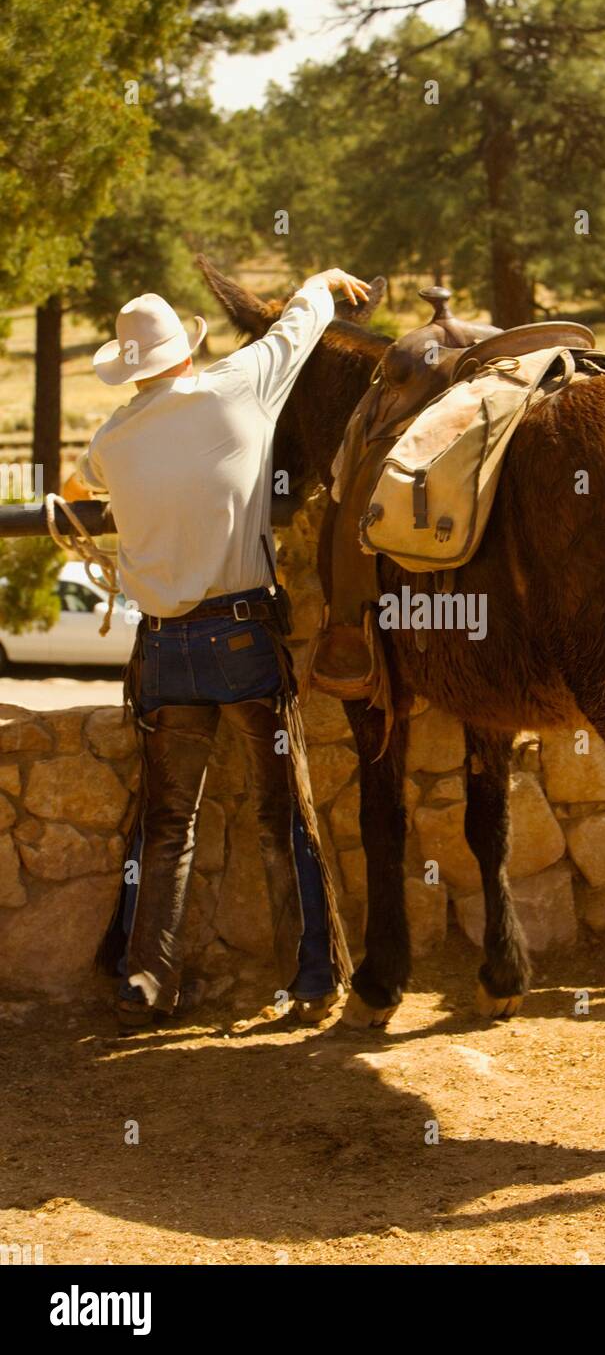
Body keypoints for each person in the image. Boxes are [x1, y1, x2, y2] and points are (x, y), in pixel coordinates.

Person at [63, 268, 370, 1029]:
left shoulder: (112, 438)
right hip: (241, 637)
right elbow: (299, 325)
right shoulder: (238, 387)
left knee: (168, 825)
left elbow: (72, 493)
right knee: (281, 813)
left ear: (130, 368)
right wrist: (324, 281)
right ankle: (311, 978)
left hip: (162, 651)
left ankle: (145, 980)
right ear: (186, 351)